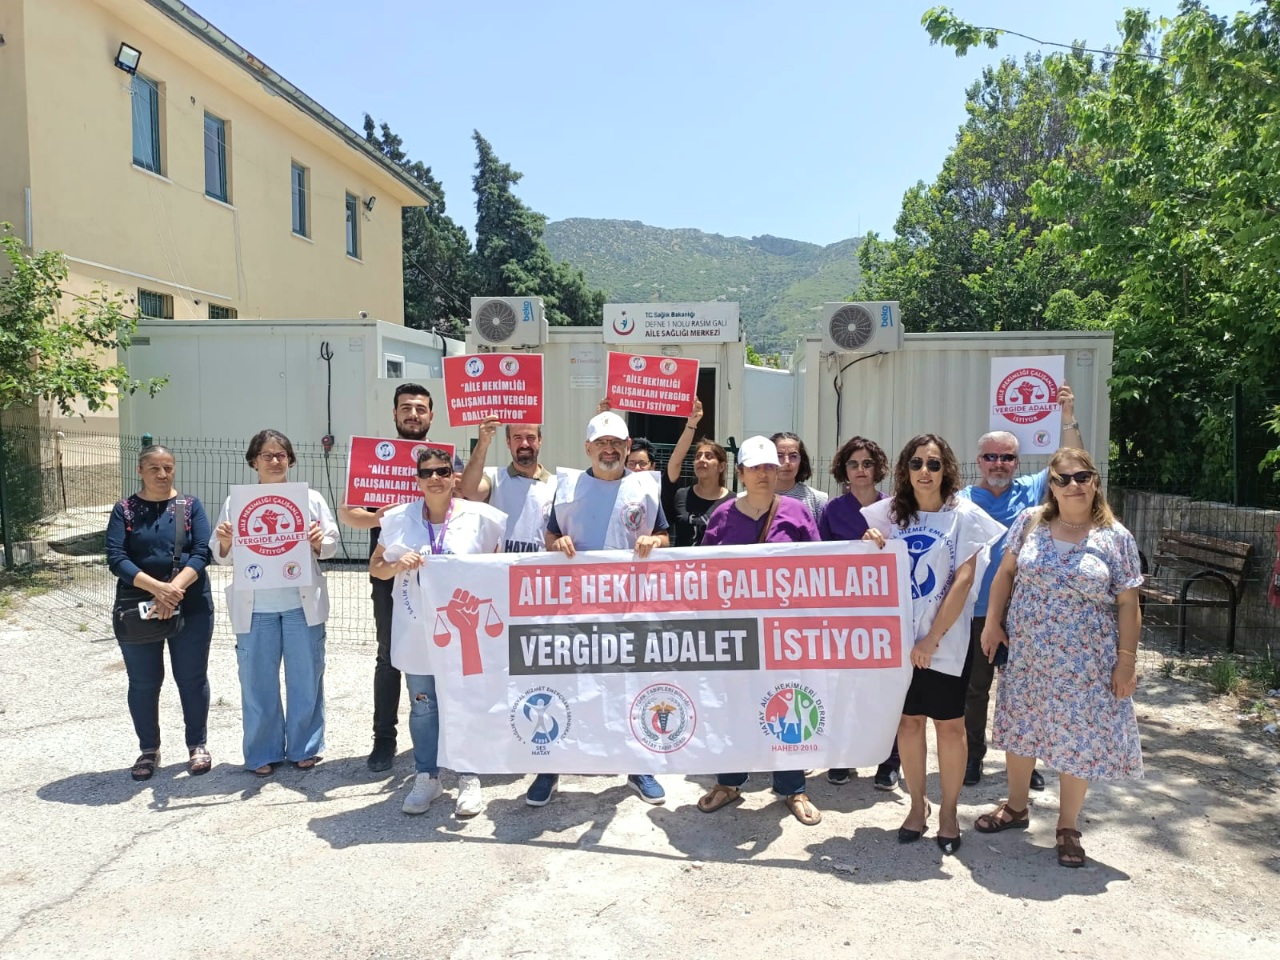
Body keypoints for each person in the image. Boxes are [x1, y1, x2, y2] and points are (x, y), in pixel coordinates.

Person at [974, 448, 1143, 868]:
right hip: (1028, 653)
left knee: (1077, 740)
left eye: (1082, 477)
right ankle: (1016, 808)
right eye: (1064, 479)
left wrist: (1126, 661)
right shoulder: (1030, 523)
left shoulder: (1115, 537)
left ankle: (1067, 826)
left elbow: (1128, 603)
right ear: (1051, 485)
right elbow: (1005, 574)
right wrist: (993, 622)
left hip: (1085, 663)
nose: (1074, 485)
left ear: (1095, 482)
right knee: (1021, 727)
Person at [862, 434, 1005, 854]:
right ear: (905, 470)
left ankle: (947, 811)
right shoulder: (890, 514)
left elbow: (963, 582)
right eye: (917, 463)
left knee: (949, 726)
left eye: (934, 464)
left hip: (944, 641)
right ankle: (916, 805)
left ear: (948, 470)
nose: (925, 472)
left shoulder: (964, 515)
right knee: (908, 723)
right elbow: (875, 566)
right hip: (900, 642)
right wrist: (871, 543)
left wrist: (931, 638)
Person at [526, 410, 670, 807]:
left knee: (629, 684)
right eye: (601, 443)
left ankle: (639, 765)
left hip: (629, 605)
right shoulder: (568, 486)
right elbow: (552, 533)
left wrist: (655, 543)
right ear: (588, 448)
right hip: (576, 606)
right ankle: (550, 767)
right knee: (566, 684)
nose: (609, 450)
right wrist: (556, 544)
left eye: (617, 443)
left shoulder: (644, 487)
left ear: (627, 447)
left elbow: (663, 534)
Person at [370, 448, 507, 818]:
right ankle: (427, 775)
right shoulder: (399, 519)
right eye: (427, 472)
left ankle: (468, 775)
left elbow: (496, 566)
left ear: (454, 477)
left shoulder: (483, 519)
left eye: (443, 471)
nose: (435, 478)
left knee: (463, 700)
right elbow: (376, 568)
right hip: (417, 630)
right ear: (417, 478)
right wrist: (398, 564)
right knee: (424, 706)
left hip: (465, 631)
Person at [695, 435, 824, 826]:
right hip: (736, 631)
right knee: (734, 704)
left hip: (785, 633)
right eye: (756, 467)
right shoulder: (721, 516)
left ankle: (792, 786)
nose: (765, 474)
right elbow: (702, 571)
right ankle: (730, 782)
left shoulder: (798, 513)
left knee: (789, 703)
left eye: (770, 466)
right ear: (741, 473)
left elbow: (820, 565)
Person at [960, 384, 1082, 788]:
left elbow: (1072, 463)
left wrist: (1067, 418)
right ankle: (973, 757)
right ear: (978, 460)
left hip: (1029, 613)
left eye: (1007, 457)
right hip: (978, 612)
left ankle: (1025, 765)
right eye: (991, 456)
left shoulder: (1032, 490)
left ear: (1017, 461)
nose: (999, 463)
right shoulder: (959, 500)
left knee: (1030, 693)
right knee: (977, 691)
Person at [215, 429, 338, 776]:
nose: (274, 460)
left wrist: (317, 541)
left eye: (281, 454)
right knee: (257, 683)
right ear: (253, 461)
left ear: (291, 460)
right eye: (266, 455)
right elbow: (221, 556)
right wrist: (225, 541)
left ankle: (305, 746)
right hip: (256, 609)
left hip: (301, 605)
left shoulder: (310, 498)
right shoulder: (235, 502)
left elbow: (330, 546)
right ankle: (262, 752)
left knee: (306, 678)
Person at [339, 383, 436, 773]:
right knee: (389, 656)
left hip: (434, 573)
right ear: (394, 415)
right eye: (406, 408)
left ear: (431, 416)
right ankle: (384, 739)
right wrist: (389, 515)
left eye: (420, 408)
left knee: (439, 654)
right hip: (388, 572)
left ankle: (439, 737)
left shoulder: (443, 458)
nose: (413, 414)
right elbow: (348, 514)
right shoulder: (372, 460)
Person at [105, 445, 215, 781]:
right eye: (154, 468)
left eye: (168, 467)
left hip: (191, 605)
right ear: (140, 471)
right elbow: (116, 557)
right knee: (143, 682)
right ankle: (148, 749)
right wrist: (158, 589)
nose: (162, 474)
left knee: (192, 679)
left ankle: (197, 744)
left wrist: (173, 591)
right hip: (139, 608)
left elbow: (201, 552)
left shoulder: (190, 507)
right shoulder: (124, 510)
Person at [818, 436, 899, 790]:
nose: (861, 470)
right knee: (844, 688)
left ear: (878, 468)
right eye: (854, 464)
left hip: (886, 613)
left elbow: (909, 553)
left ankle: (889, 760)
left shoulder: (896, 508)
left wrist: (885, 545)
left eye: (867, 463)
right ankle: (843, 757)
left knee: (887, 689)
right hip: (844, 614)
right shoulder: (833, 510)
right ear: (844, 470)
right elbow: (817, 559)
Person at [459, 416, 555, 553]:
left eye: (531, 437)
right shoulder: (494, 477)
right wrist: (483, 443)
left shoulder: (556, 485)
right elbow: (469, 491)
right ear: (508, 442)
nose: (524, 444)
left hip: (540, 572)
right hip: (503, 571)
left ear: (540, 441)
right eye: (517, 438)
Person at [665, 401, 732, 547]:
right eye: (698, 456)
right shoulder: (681, 496)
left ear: (721, 466)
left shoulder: (733, 502)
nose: (701, 460)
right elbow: (674, 462)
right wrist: (691, 425)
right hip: (684, 569)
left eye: (708, 456)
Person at [771, 431, 828, 523]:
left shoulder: (818, 500)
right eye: (779, 456)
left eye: (793, 456)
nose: (787, 462)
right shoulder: (749, 498)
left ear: (802, 461)